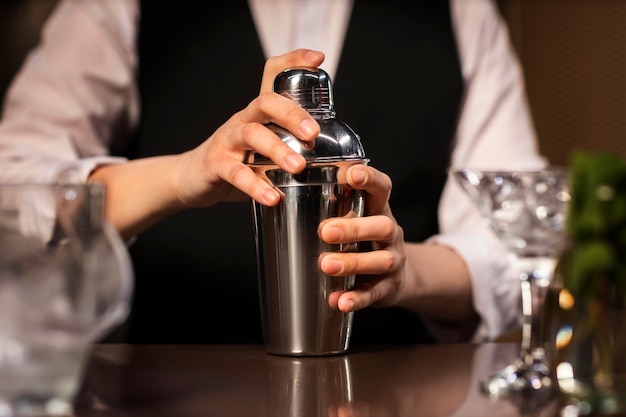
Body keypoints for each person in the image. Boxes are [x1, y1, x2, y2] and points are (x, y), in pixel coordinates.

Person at [0, 0, 546, 344]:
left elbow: (513, 241)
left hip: (388, 395)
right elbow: (12, 185)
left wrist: (406, 271)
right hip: (174, 392)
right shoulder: (113, 8)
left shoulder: (462, 10)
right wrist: (181, 176)